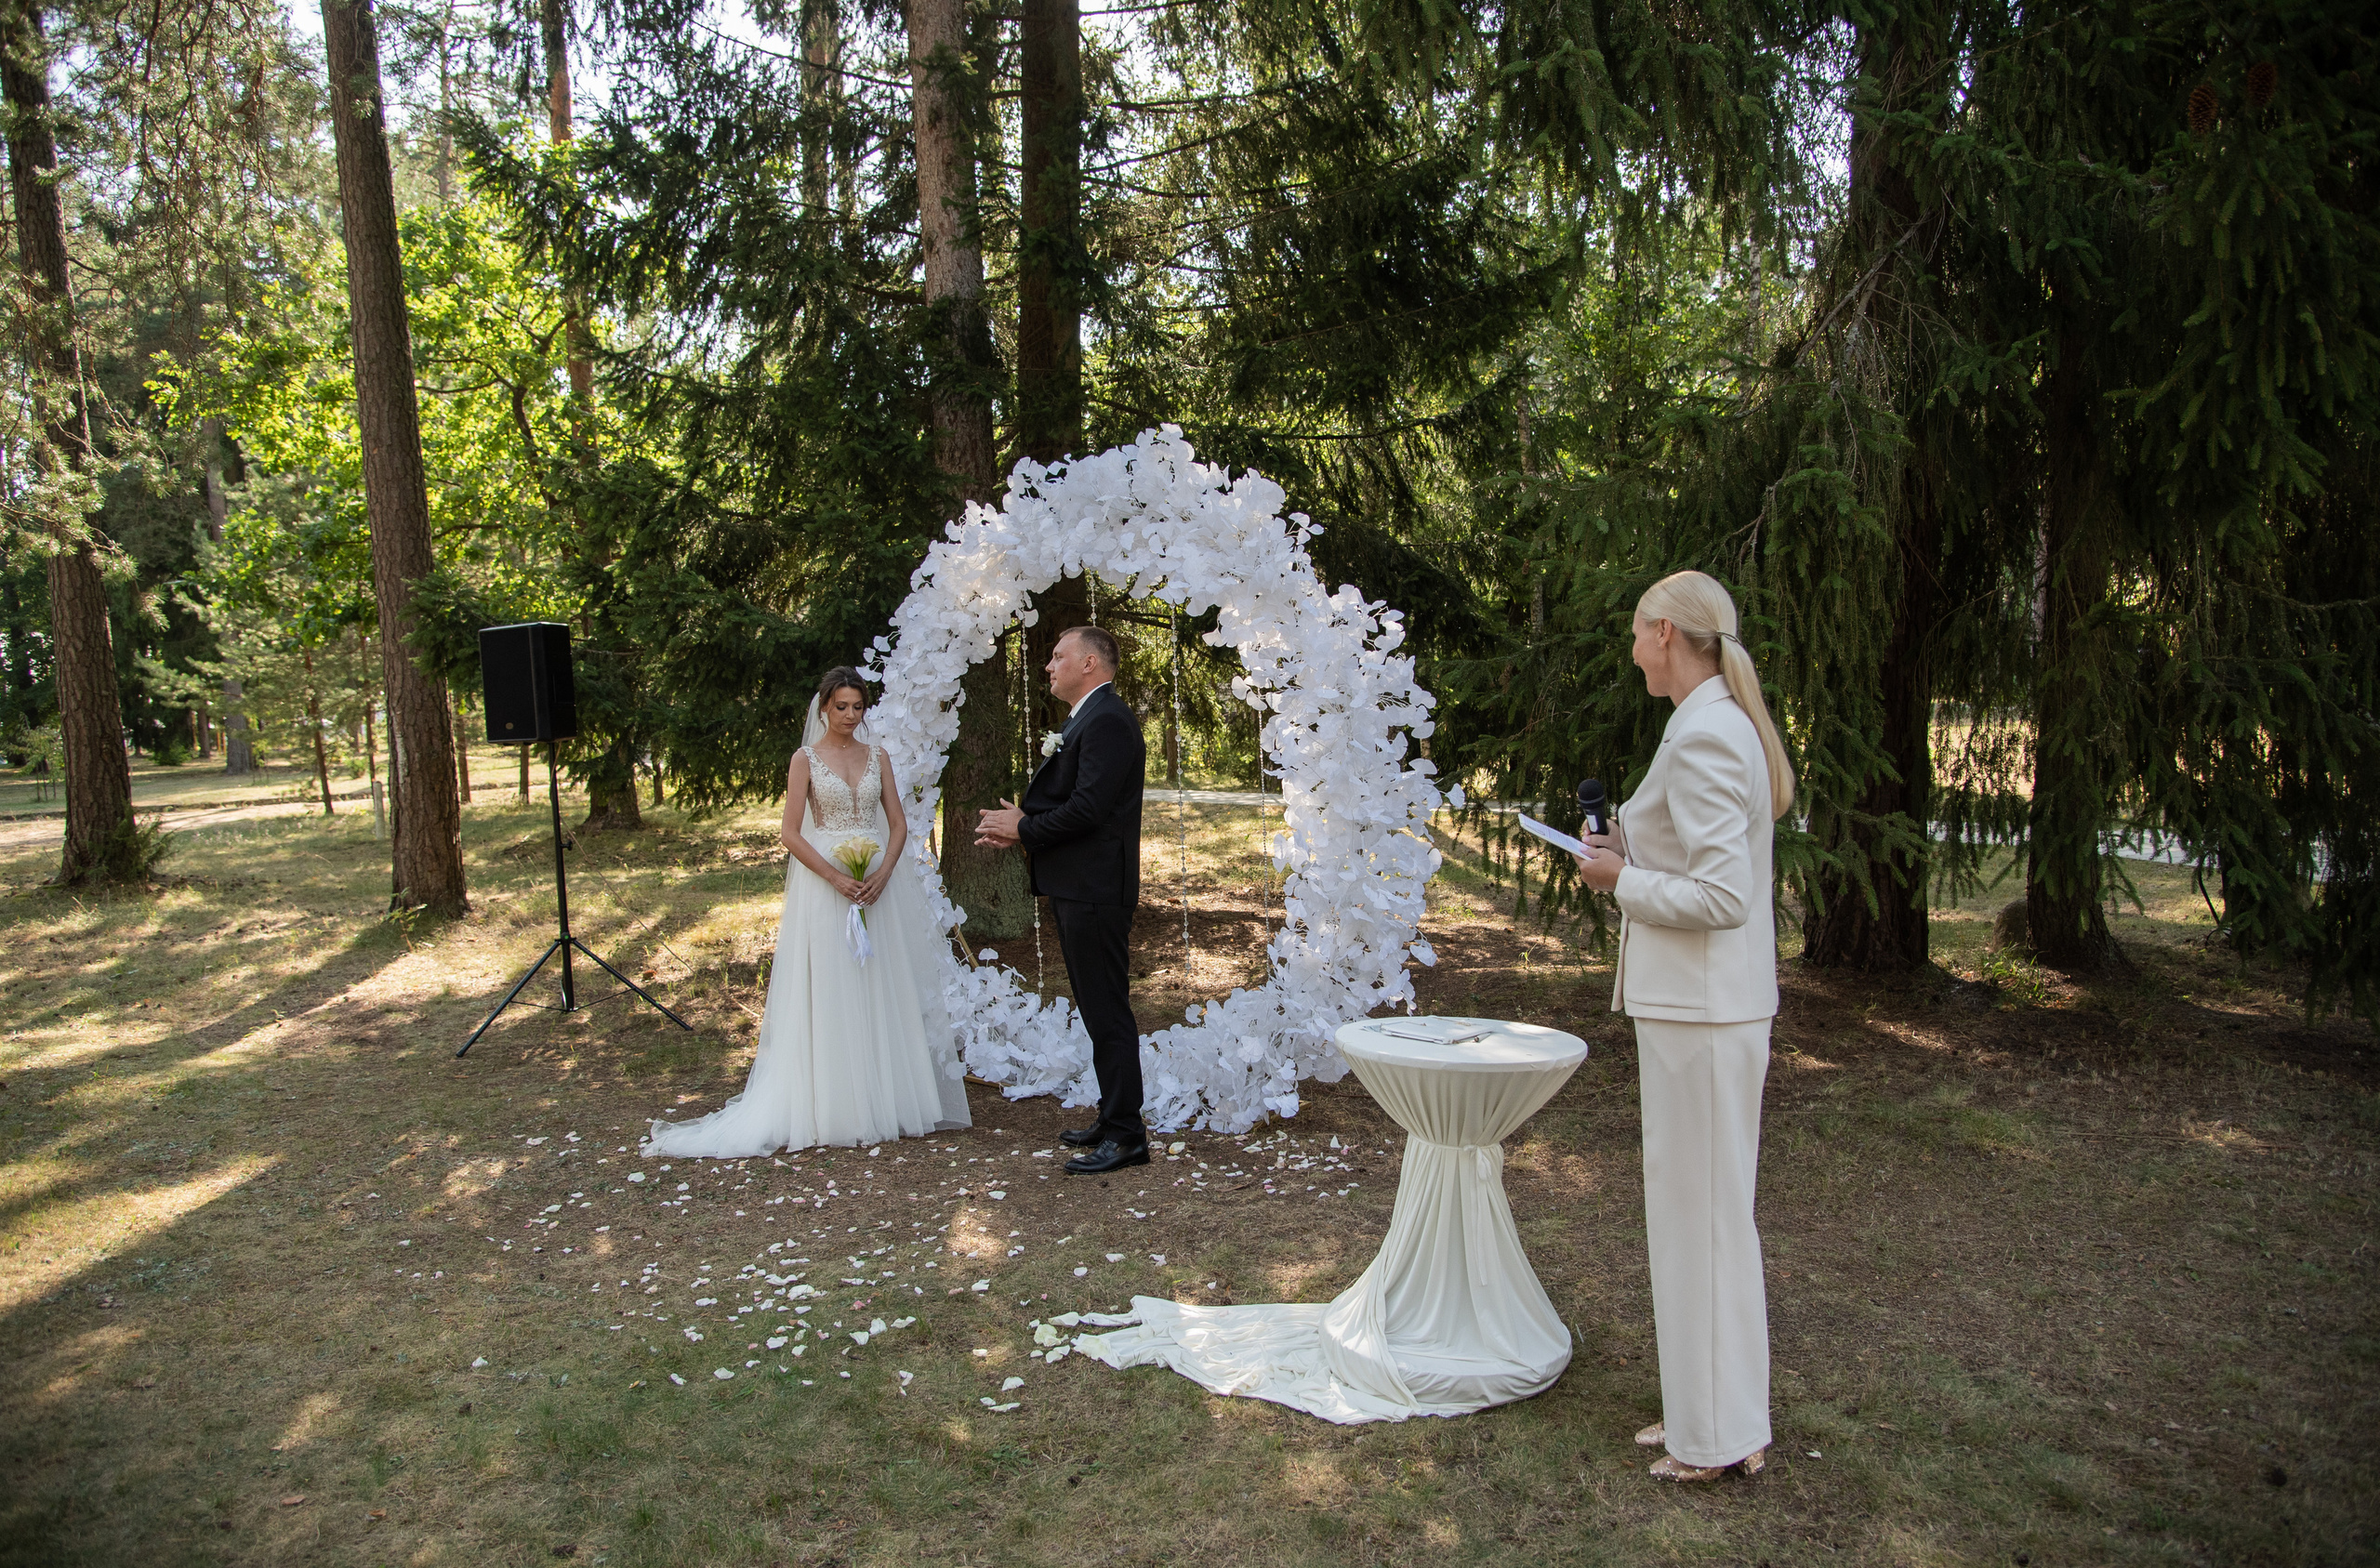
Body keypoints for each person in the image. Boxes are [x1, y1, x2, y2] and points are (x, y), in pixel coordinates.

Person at [1572, 570, 1794, 1483]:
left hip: (1704, 1012)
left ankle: (1716, 1436)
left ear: (1665, 632)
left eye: (1634, 634)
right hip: (1702, 1008)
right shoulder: (1709, 724)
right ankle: (1714, 1412)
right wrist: (1627, 849)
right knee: (1702, 1218)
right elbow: (1697, 859)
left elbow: (1718, 894)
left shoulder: (1706, 732)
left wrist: (1617, 881)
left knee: (1701, 1222)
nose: (1630, 652)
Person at [643, 667, 970, 1157]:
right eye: (841, 707)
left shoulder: (878, 756)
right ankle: (834, 1106)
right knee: (833, 984)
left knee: (881, 981)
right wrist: (836, 877)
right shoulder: (805, 759)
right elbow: (790, 832)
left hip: (877, 881)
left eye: (858, 707)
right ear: (823, 708)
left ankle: (890, 1100)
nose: (850, 716)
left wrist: (881, 875)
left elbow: (899, 824)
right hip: (826, 884)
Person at [974, 624, 1149, 1174]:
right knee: (1097, 1009)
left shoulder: (1109, 721)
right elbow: (1075, 803)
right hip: (1079, 885)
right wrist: (1023, 825)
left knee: (1107, 1011)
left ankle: (1127, 1136)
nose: (1048, 666)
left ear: (1091, 664)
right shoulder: (1088, 718)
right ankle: (1112, 1113)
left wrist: (1024, 828)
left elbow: (1089, 810)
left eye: (1058, 656)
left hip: (1096, 888)